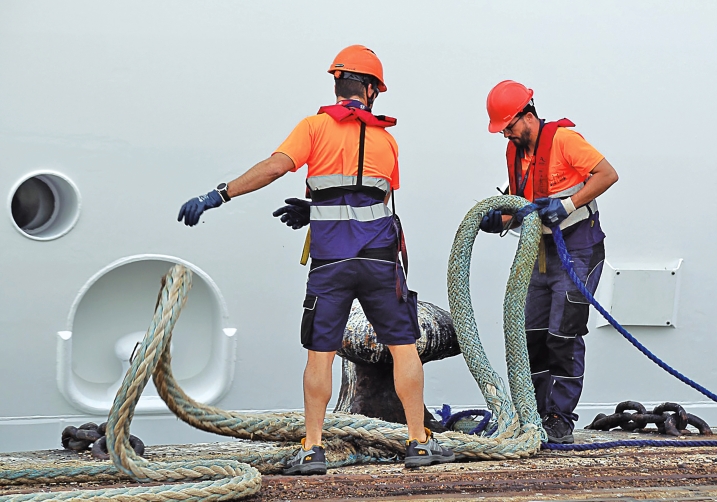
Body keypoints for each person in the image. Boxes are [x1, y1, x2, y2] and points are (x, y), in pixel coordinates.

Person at [177, 45, 455, 474]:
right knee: (403, 348)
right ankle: (418, 442)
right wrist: (319, 209)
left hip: (331, 263)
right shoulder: (387, 140)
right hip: (381, 262)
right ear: (371, 90)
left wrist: (221, 193)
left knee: (320, 354)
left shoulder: (314, 127)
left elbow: (276, 167)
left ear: (337, 84)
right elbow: (371, 197)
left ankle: (312, 448)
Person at [480, 80, 618, 444]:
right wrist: (498, 221)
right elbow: (522, 205)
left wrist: (568, 205)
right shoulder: (515, 153)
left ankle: (560, 417)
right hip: (538, 254)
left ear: (528, 115)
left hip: (578, 250)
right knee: (533, 334)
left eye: (509, 126)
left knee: (563, 334)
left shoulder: (564, 140)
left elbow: (608, 174)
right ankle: (535, 413)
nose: (506, 134)